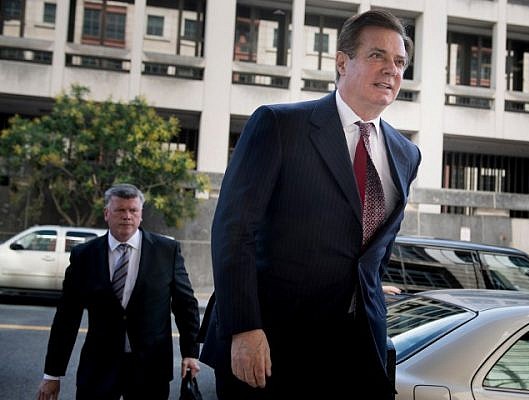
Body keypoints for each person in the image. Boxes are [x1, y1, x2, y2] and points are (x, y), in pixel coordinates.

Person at [199, 9, 421, 400]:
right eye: (376, 56)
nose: (391, 69)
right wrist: (244, 328)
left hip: (355, 350)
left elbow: (375, 250)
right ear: (341, 62)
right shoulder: (279, 126)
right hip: (269, 346)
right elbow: (234, 231)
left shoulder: (407, 154)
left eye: (399, 62)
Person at [36, 183, 201, 400]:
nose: (127, 216)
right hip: (98, 369)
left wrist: (190, 352)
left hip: (150, 369)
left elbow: (185, 304)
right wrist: (52, 374)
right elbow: (67, 317)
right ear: (107, 213)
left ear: (141, 215)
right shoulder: (84, 256)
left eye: (133, 210)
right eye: (120, 210)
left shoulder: (166, 251)